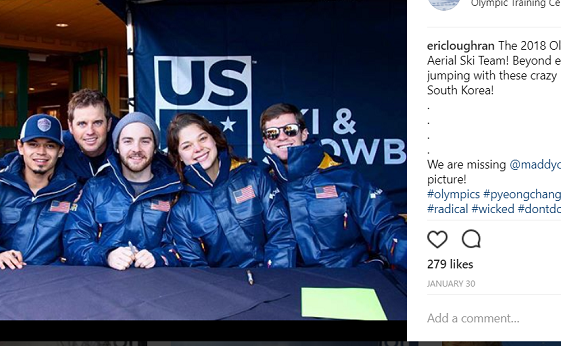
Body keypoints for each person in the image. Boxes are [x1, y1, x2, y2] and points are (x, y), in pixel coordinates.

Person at [260, 103, 407, 270]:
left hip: (346, 277)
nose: (281, 137)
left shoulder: (345, 178)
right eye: (272, 133)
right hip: (288, 283)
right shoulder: (263, 184)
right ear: (266, 141)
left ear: (304, 133)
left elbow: (385, 227)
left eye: (290, 130)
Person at [166, 113, 296, 268]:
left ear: (214, 139)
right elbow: (196, 268)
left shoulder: (253, 176)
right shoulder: (181, 208)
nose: (198, 148)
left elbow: (281, 231)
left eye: (202, 138)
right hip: (221, 288)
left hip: (270, 281)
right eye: (187, 146)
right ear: (179, 156)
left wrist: (274, 279)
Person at [64, 112, 182, 270]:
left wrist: (159, 256)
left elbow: (186, 247)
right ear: (117, 147)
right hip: (101, 286)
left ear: (155, 147)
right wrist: (106, 255)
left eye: (145, 141)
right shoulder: (95, 189)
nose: (136, 149)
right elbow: (73, 243)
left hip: (157, 286)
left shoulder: (173, 190)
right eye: (128, 141)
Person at [0, 114, 81, 269]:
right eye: (33, 144)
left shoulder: (73, 192)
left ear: (61, 151)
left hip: (53, 279)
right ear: (20, 147)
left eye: (50, 146)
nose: (41, 152)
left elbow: (79, 241)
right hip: (3, 276)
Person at [59, 89, 119, 183]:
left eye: (97, 123)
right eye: (82, 124)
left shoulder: (124, 147)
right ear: (70, 126)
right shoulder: (59, 146)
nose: (90, 131)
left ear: (109, 124)